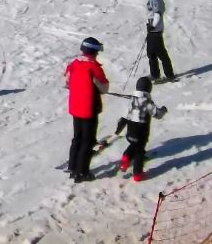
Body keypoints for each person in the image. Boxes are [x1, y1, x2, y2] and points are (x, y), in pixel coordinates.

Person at [65, 37, 110, 182]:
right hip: (89, 107)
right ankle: (82, 172)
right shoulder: (94, 67)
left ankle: (72, 167)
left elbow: (67, 82)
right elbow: (104, 88)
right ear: (94, 52)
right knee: (87, 140)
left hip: (75, 106)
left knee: (77, 137)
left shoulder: (73, 64)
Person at [114, 76, 167, 182]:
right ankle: (138, 174)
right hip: (141, 132)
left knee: (133, 145)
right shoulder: (147, 102)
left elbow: (125, 114)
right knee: (139, 152)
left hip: (130, 131)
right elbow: (157, 114)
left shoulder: (132, 99)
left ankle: (126, 158)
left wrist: (120, 126)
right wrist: (163, 110)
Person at [143, 0, 176, 81]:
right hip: (153, 30)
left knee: (161, 54)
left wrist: (152, 26)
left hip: (155, 31)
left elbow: (157, 13)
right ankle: (155, 75)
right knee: (151, 53)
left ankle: (169, 75)